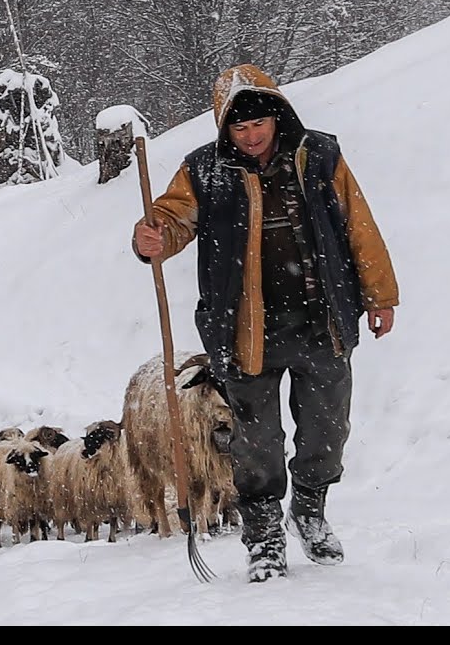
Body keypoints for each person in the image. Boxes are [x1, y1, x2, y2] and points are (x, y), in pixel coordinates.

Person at [131, 63, 399, 583]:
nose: (252, 136)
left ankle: (309, 509)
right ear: (223, 127)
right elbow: (172, 219)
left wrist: (379, 296)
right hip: (244, 329)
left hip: (322, 321)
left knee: (328, 431)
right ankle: (264, 538)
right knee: (256, 441)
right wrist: (153, 239)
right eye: (239, 127)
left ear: (278, 116)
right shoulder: (204, 169)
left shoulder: (319, 156)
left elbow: (358, 225)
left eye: (259, 125)